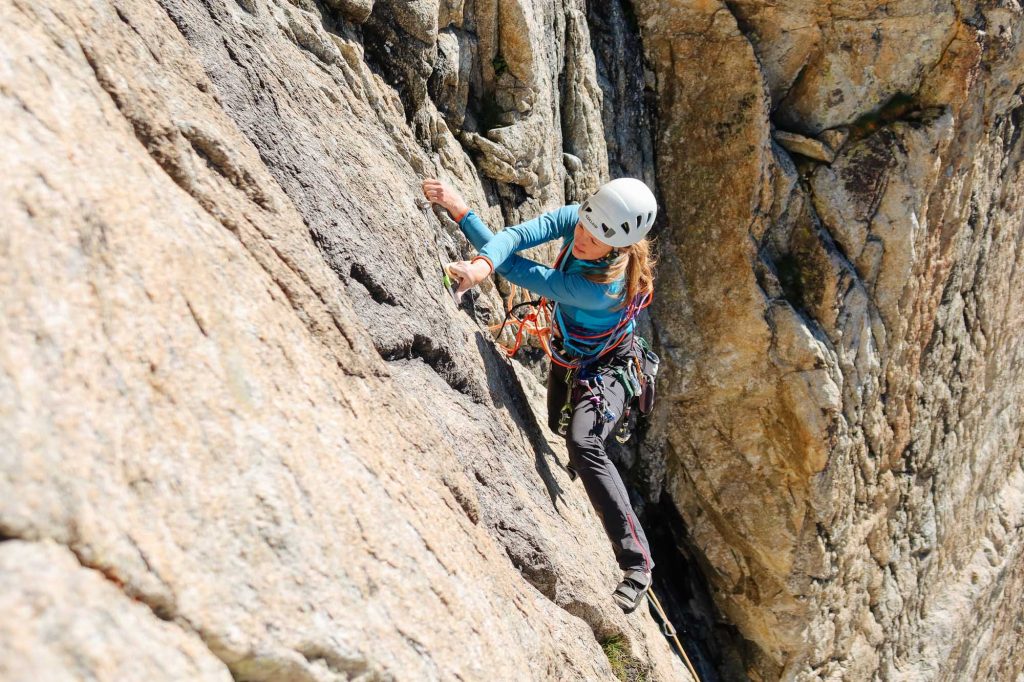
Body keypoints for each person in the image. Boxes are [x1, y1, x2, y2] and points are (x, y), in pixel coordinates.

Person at [421, 176, 659, 613]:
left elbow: (517, 269)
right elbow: (517, 237)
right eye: (583, 227)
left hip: (609, 368)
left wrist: (475, 252)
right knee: (556, 423)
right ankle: (584, 465)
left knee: (583, 441)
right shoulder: (585, 220)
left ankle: (637, 564)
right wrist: (464, 214)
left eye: (595, 237)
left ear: (619, 247)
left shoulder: (602, 289)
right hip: (572, 356)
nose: (582, 238)